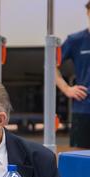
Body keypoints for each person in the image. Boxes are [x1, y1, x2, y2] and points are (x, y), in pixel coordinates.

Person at [56, 0, 90, 148]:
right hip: (84, 109)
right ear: (88, 13)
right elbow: (50, 65)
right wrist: (66, 89)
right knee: (82, 158)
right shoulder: (76, 40)